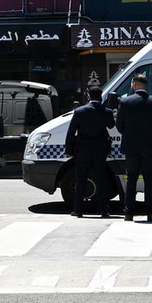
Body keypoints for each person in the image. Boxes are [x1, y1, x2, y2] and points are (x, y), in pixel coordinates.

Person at [115, 72, 152, 223]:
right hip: (151, 147)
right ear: (145, 86)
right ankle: (151, 213)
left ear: (135, 85)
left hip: (131, 147)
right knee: (149, 180)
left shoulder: (125, 102)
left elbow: (119, 125)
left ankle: (128, 213)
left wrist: (129, 133)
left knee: (131, 179)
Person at [64, 85, 115, 218]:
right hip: (100, 150)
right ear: (101, 96)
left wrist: (69, 149)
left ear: (88, 95)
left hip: (83, 150)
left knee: (80, 179)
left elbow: (71, 132)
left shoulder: (79, 111)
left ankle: (78, 210)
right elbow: (111, 125)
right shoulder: (107, 112)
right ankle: (104, 211)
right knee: (101, 180)